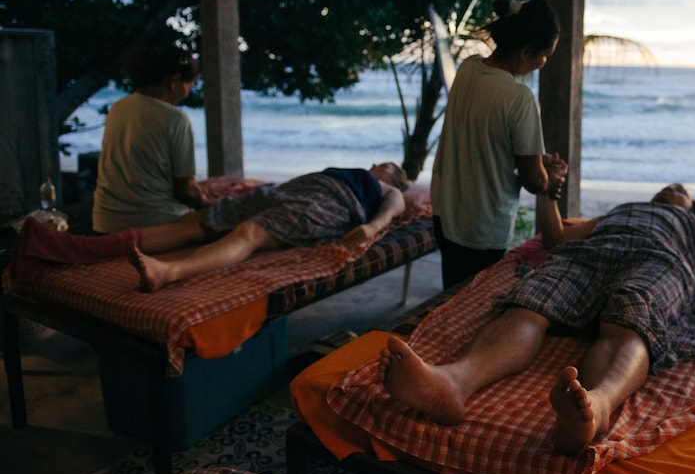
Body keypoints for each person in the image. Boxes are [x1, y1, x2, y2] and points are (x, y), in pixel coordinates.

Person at [377, 182, 695, 456]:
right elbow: (557, 238)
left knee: (632, 318)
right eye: (668, 186)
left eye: (681, 190)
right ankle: (454, 382)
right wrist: (548, 194)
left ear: (690, 206)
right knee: (531, 302)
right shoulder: (619, 211)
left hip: (660, 260)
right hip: (589, 255)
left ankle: (598, 405)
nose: (673, 189)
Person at [13, 163, 411, 293]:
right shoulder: (352, 169)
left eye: (389, 166)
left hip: (331, 204)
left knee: (251, 233)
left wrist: (372, 226)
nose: (379, 165)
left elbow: (397, 207)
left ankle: (168, 271)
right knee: (194, 223)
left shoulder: (385, 188)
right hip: (293, 189)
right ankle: (74, 248)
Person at [431, 0, 564, 288]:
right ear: (525, 51)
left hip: (446, 214)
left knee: (453, 298)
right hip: (482, 226)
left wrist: (537, 160)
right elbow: (533, 181)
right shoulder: (520, 98)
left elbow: (484, 141)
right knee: (475, 302)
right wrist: (550, 178)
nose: (544, 63)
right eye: (545, 56)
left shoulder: (468, 68)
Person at [92, 43, 210, 233]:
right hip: (154, 224)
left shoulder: (118, 108)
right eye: (191, 84)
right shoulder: (175, 118)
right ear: (175, 80)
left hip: (105, 222)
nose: (189, 91)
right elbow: (185, 190)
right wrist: (207, 202)